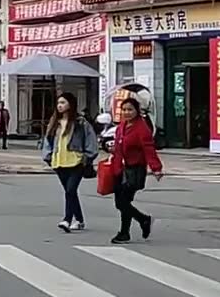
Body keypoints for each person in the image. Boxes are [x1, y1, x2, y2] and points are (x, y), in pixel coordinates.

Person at [106, 95, 162, 244]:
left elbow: (149, 149)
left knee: (122, 203)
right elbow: (119, 146)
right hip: (120, 169)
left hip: (134, 170)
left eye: (130, 109)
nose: (127, 112)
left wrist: (156, 168)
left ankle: (140, 222)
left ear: (137, 111)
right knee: (123, 202)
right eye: (124, 109)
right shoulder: (122, 126)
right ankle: (128, 230)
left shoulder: (141, 128)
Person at [41, 91, 98, 234]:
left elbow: (91, 140)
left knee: (70, 190)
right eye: (58, 103)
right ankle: (79, 220)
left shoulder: (80, 122)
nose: (60, 106)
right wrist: (47, 156)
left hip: (76, 162)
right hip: (59, 162)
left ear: (70, 104)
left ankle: (67, 219)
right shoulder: (54, 122)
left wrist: (87, 157)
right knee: (70, 192)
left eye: (63, 103)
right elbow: (48, 141)